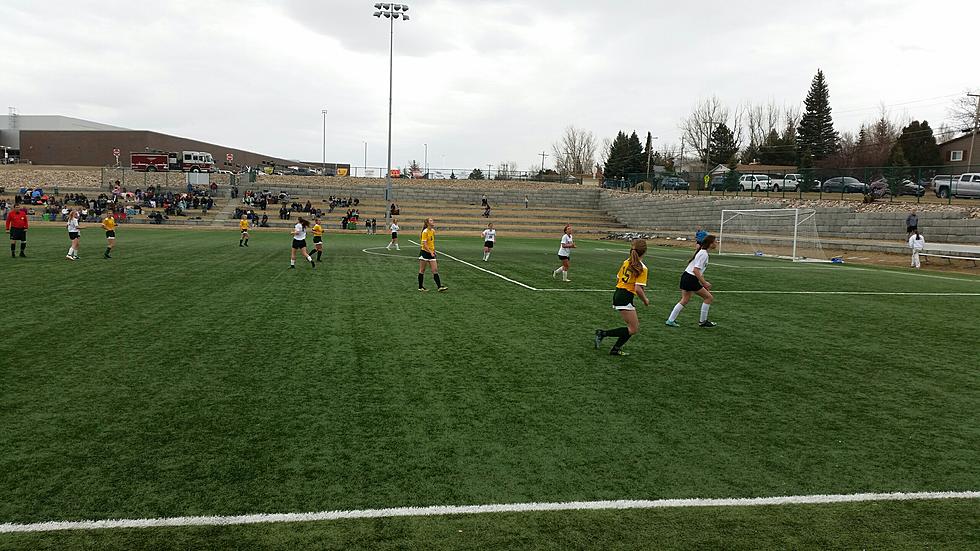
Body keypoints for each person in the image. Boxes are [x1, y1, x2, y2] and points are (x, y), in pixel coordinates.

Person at [595, 239, 650, 356]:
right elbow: (638, 289)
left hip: (619, 293)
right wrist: (645, 300)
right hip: (625, 296)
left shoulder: (627, 262)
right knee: (633, 329)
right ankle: (602, 334)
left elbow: (618, 278)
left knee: (632, 327)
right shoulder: (642, 268)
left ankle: (615, 349)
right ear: (644, 252)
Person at [666, 235, 717, 328]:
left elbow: (699, 271)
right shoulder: (704, 254)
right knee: (709, 298)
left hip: (686, 276)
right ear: (710, 244)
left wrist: (703, 282)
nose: (716, 243)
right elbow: (696, 270)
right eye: (715, 242)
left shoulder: (702, 252)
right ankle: (703, 321)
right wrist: (704, 283)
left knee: (685, 300)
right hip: (690, 278)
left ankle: (670, 320)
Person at [418, 218, 447, 292]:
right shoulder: (425, 232)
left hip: (431, 253)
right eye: (431, 221)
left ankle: (439, 287)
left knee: (435, 270)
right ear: (427, 223)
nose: (432, 221)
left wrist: (433, 251)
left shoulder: (433, 231)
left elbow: (431, 243)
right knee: (422, 270)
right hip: (424, 252)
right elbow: (424, 244)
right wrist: (430, 252)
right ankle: (420, 287)